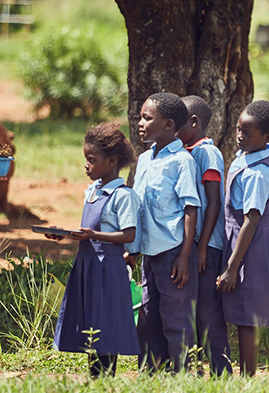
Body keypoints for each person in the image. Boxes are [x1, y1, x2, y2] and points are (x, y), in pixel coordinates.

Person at [50, 122, 141, 377]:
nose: (86, 165)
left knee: (107, 320)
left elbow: (129, 234)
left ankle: (105, 376)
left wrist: (94, 235)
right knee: (91, 319)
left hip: (108, 267)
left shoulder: (123, 196)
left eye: (92, 159)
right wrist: (66, 235)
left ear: (111, 161)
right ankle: (95, 375)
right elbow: (88, 231)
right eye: (86, 159)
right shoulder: (92, 191)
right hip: (87, 265)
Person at [217, 100, 269, 376]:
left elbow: (251, 219)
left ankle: (247, 378)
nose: (239, 136)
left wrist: (233, 267)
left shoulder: (258, 172)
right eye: (238, 129)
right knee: (236, 312)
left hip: (251, 250)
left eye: (247, 132)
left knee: (247, 319)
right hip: (238, 244)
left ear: (267, 137)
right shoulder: (244, 157)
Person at [133, 92, 200, 373]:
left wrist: (184, 256)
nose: (140, 123)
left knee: (175, 317)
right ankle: (151, 372)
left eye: (147, 118)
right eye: (141, 116)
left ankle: (185, 373)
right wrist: (133, 248)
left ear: (169, 125)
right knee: (148, 316)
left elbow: (190, 209)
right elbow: (137, 208)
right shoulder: (145, 159)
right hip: (149, 250)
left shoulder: (182, 161)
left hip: (172, 252)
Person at [175, 95, 232, 376]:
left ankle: (222, 371)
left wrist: (203, 247)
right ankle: (196, 368)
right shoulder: (185, 151)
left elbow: (214, 202)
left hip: (208, 245)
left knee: (209, 312)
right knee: (193, 311)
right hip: (196, 244)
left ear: (194, 122)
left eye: (177, 122)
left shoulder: (207, 153)